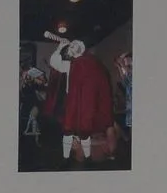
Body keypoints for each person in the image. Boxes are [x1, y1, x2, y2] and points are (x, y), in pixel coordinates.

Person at [44, 35, 115, 164]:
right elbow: (55, 63)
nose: (73, 46)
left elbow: (99, 85)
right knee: (70, 131)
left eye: (76, 44)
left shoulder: (90, 64)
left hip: (86, 104)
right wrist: (60, 47)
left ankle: (85, 157)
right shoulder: (70, 65)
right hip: (72, 102)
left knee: (83, 130)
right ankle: (68, 157)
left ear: (82, 50)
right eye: (72, 45)